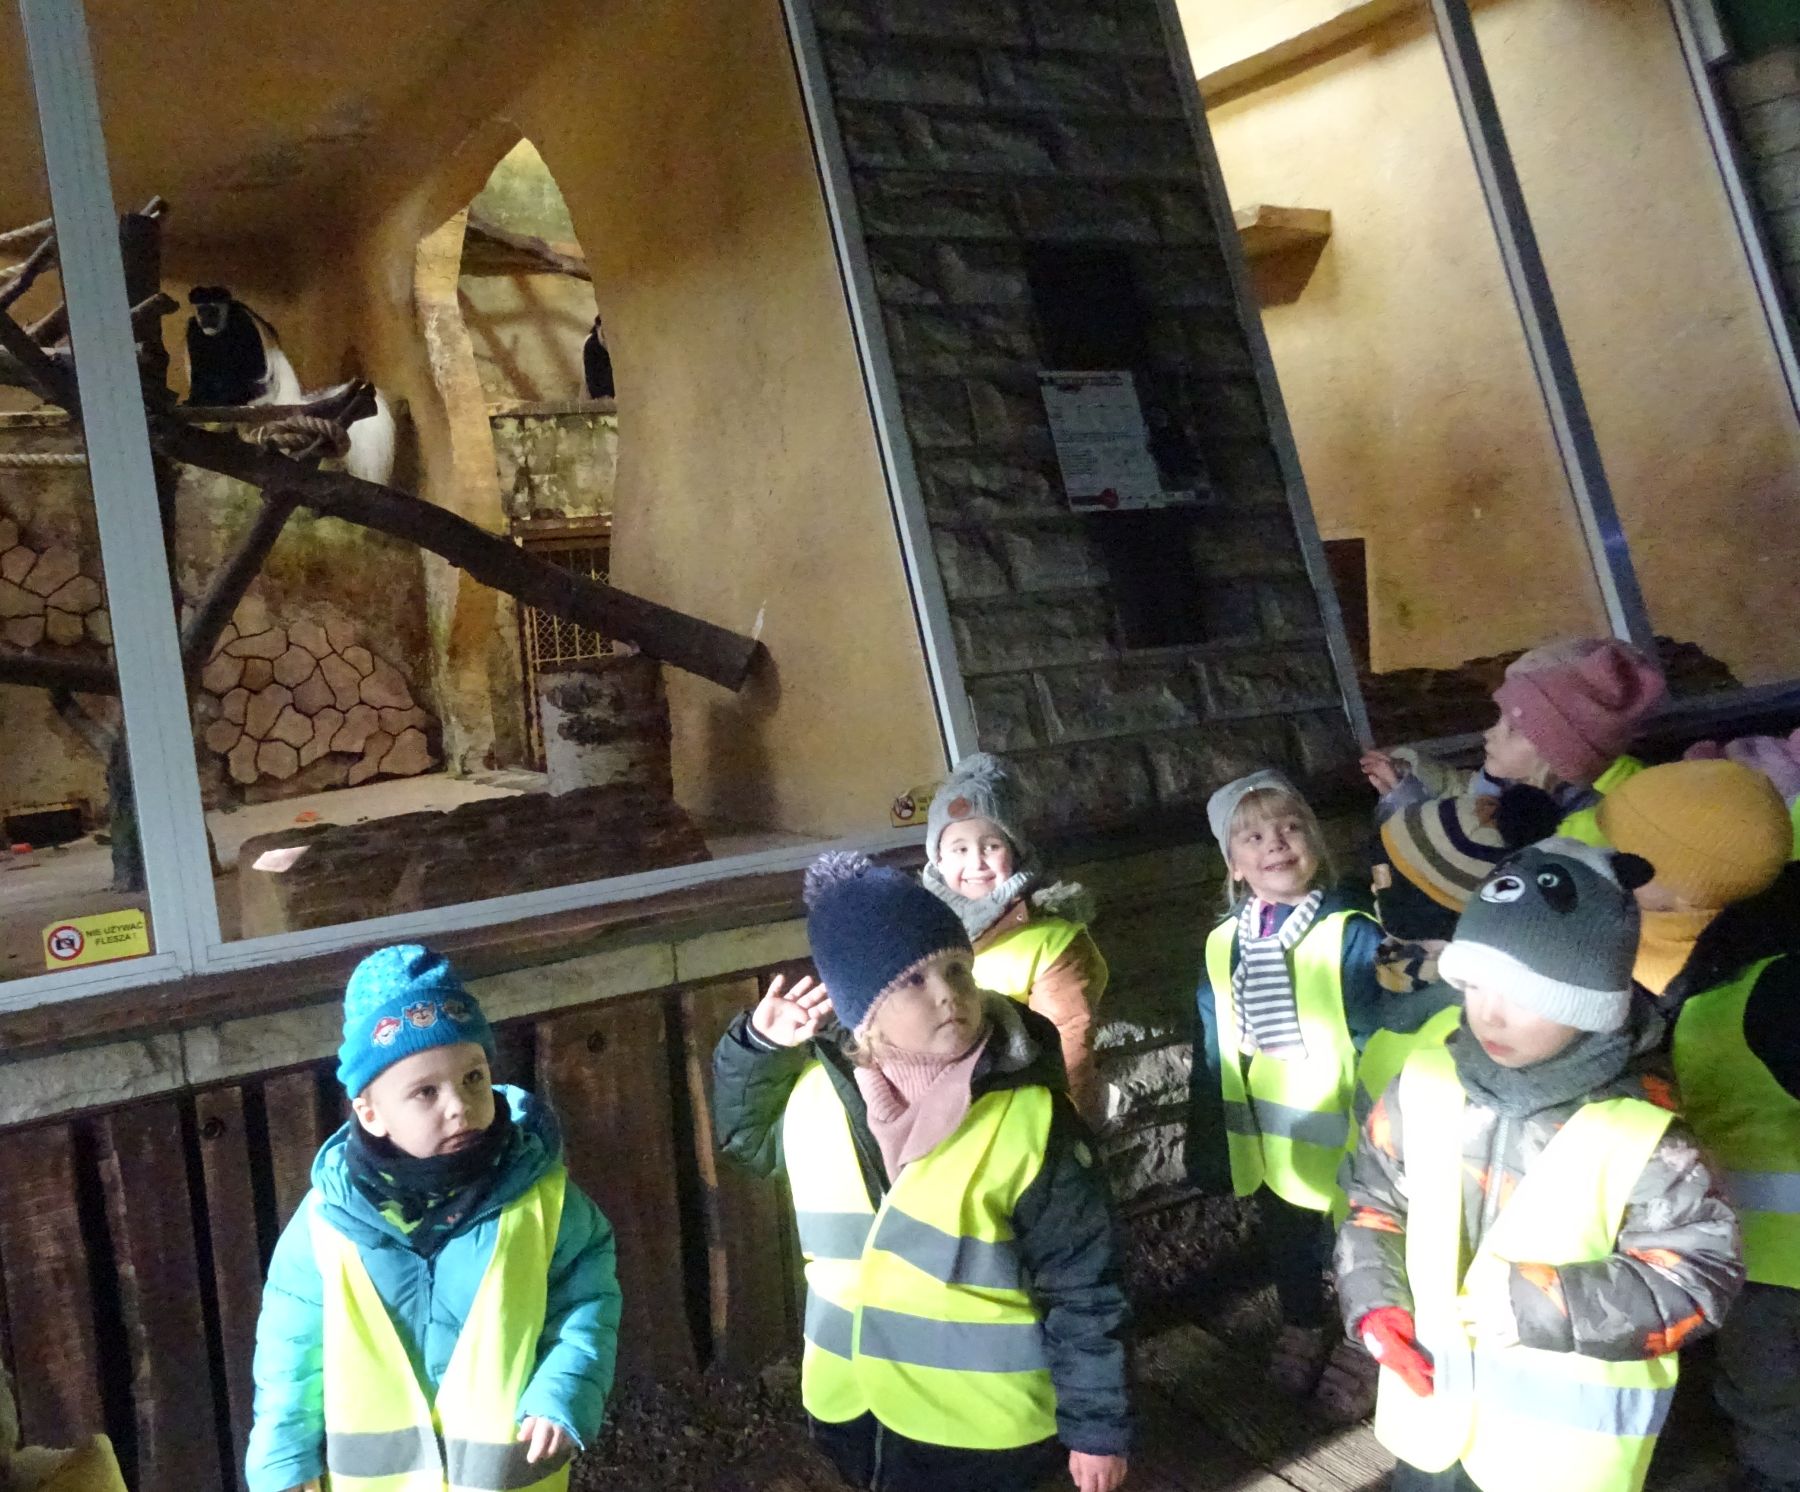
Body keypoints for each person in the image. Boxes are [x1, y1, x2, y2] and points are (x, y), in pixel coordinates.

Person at [711, 852, 1129, 1492]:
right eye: (912, 980)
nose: (947, 992)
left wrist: (1097, 1425)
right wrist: (757, 1050)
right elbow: (747, 1141)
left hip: (984, 1429)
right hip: (857, 1406)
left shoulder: (1031, 1116)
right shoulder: (815, 1098)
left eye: (957, 968)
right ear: (863, 1009)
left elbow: (1083, 1281)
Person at [1338, 841, 1743, 1492]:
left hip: (1559, 1462)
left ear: (1588, 999)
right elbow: (1373, 1205)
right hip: (1431, 1425)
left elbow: (1697, 1278)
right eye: (1475, 984)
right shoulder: (1423, 1083)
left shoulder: (1648, 1137)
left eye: (1525, 993)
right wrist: (1375, 1306)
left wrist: (1546, 1302)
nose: (1489, 1013)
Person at [245, 945, 621, 1492]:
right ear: (370, 1113)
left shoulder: (544, 1200)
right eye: (425, 1091)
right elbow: (290, 1356)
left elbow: (586, 1303)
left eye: (473, 1078)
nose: (459, 1105)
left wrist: (564, 1390)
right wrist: (283, 1463)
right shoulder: (324, 1225)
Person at [1593, 759, 1800, 1491]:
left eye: (1628, 865)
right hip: (1745, 1251)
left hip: (1778, 1267)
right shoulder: (1724, 964)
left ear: (1688, 891)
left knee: (1772, 1404)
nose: (1611, 877)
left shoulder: (1768, 988)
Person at [1184, 769, 1383, 1397]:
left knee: (1364, 1244)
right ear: (1234, 865)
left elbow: (1377, 1033)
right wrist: (1212, 1137)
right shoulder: (1225, 944)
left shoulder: (1351, 931)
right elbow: (1214, 1043)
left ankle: (1367, 1339)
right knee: (1290, 1239)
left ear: (1315, 843)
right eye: (1253, 836)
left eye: (1291, 827)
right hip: (1273, 1141)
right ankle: (1302, 1319)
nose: (1275, 842)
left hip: (1354, 1135)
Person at [921, 752, 1109, 1124]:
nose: (976, 862)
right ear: (938, 859)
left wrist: (1069, 1128)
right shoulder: (916, 932)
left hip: (1022, 1120)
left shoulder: (1052, 940)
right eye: (959, 849)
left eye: (991, 846)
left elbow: (1068, 1050)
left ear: (1015, 852)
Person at [1361, 637, 1665, 848]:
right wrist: (1414, 779)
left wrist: (1408, 809)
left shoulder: (1585, 833)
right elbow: (1474, 800)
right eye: (1499, 720)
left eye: (1513, 729)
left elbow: (1474, 868)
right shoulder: (1527, 783)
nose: (1489, 733)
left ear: (1555, 753)